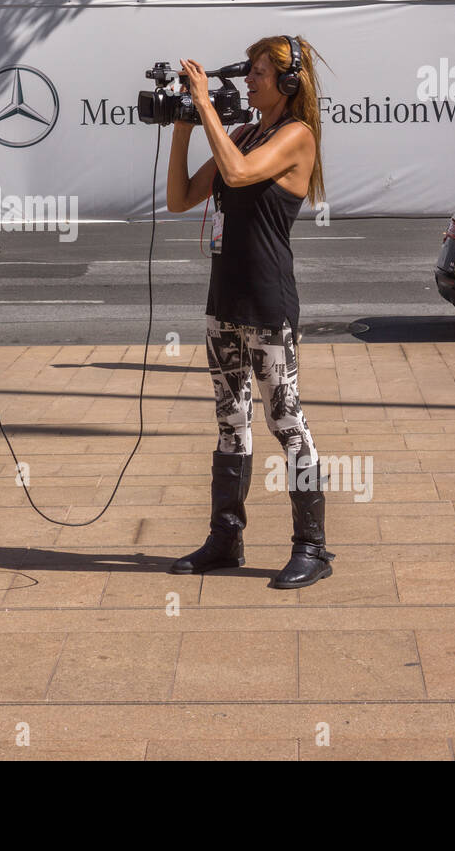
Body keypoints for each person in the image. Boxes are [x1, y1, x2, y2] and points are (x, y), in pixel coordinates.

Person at [165, 34, 334, 590]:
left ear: (288, 83)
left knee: (286, 422)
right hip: (224, 300)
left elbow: (238, 175)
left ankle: (312, 548)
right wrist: (186, 126)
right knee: (229, 423)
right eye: (251, 71)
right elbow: (181, 198)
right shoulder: (241, 133)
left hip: (267, 301)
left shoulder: (296, 136)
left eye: (260, 73)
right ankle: (225, 539)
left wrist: (207, 104)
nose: (249, 81)